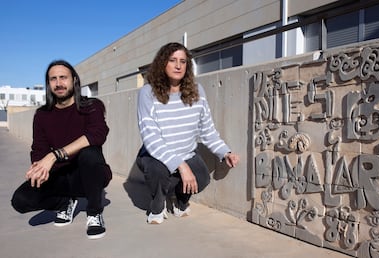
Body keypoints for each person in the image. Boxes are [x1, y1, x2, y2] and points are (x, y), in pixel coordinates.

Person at [136, 42, 240, 224]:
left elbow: (207, 129)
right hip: (155, 155)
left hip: (186, 152)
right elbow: (150, 137)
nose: (178, 66)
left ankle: (180, 201)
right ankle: (158, 204)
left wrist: (225, 152)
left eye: (183, 61)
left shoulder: (197, 91)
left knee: (201, 178)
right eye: (172, 60)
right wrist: (181, 166)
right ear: (162, 63)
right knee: (158, 172)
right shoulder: (148, 93)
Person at [11, 60, 112, 239]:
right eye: (53, 79)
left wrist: (55, 155)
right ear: (48, 84)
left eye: (63, 78)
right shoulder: (42, 115)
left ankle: (94, 212)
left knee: (90, 153)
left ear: (74, 80)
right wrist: (38, 169)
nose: (58, 83)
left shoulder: (91, 106)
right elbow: (39, 149)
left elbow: (97, 134)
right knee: (20, 200)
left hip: (88, 174)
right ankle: (65, 202)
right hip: (61, 176)